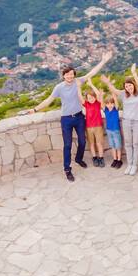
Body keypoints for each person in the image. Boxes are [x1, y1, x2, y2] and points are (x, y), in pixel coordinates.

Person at [31, 52, 111, 181]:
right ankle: (67, 169)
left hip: (79, 117)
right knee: (67, 144)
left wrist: (103, 61)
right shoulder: (59, 87)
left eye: (72, 74)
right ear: (64, 76)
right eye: (67, 74)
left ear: (74, 75)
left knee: (82, 141)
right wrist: (35, 109)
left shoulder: (78, 81)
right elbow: (48, 100)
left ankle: (78, 159)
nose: (70, 76)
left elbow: (92, 73)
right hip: (66, 119)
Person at [109, 66, 138, 176]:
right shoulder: (123, 95)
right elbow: (114, 91)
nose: (128, 87)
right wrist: (108, 83)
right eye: (126, 86)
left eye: (130, 85)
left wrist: (134, 74)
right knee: (128, 143)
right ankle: (129, 164)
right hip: (126, 121)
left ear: (133, 85)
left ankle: (135, 164)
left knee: (136, 143)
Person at [101, 80, 123, 169]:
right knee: (112, 146)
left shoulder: (116, 110)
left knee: (118, 146)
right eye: (108, 103)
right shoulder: (105, 110)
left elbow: (115, 99)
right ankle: (114, 159)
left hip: (116, 130)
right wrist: (101, 96)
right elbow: (101, 103)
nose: (110, 105)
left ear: (113, 103)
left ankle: (119, 160)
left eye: (111, 103)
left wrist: (112, 89)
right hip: (109, 130)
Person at [84, 83, 107, 167]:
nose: (91, 99)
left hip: (98, 126)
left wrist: (91, 84)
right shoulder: (86, 104)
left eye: (92, 97)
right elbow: (80, 97)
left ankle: (101, 158)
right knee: (91, 144)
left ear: (95, 97)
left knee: (99, 143)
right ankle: (94, 158)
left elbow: (99, 95)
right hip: (89, 127)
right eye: (89, 98)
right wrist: (78, 86)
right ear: (87, 99)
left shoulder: (98, 104)